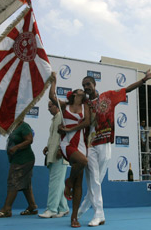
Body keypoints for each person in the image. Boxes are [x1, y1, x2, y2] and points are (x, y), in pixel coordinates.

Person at [75, 69, 151, 226]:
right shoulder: (85, 104)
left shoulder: (108, 96)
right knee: (94, 180)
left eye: (88, 84)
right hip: (90, 145)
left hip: (104, 142)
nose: (86, 87)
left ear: (94, 84)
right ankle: (99, 214)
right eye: (83, 85)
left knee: (96, 180)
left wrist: (144, 79)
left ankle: (84, 206)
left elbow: (127, 89)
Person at [55, 88, 90, 228]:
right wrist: (53, 80)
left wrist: (71, 128)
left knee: (79, 183)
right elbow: (52, 96)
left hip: (80, 143)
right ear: (75, 93)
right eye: (80, 90)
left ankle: (74, 217)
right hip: (67, 142)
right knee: (83, 161)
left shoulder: (85, 106)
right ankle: (68, 183)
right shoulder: (65, 105)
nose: (83, 91)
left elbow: (87, 122)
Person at [0, 121, 38, 218]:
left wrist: (16, 147)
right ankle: (32, 206)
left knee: (13, 181)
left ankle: (6, 209)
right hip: (18, 159)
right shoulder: (14, 126)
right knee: (26, 183)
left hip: (24, 159)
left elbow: (29, 140)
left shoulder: (24, 126)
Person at [38, 97, 70, 218]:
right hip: (53, 154)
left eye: (50, 106)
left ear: (57, 106)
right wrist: (47, 147)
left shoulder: (63, 117)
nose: (48, 108)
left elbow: (68, 135)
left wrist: (62, 151)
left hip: (60, 156)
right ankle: (63, 208)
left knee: (54, 183)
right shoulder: (55, 119)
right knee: (59, 183)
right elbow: (54, 137)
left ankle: (51, 209)